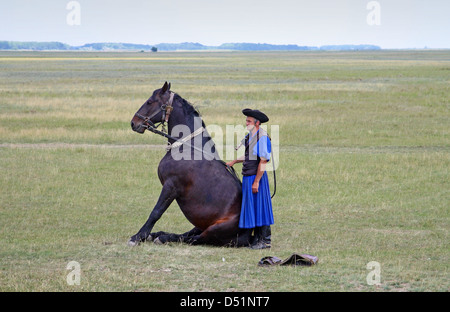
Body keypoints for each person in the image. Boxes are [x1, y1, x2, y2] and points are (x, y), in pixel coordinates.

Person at [226, 108, 274, 249]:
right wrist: (234, 161)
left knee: (261, 207)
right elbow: (249, 156)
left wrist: (257, 181)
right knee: (253, 207)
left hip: (255, 177)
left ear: (257, 123)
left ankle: (265, 241)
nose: (246, 123)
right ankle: (256, 239)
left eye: (249, 121)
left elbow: (263, 161)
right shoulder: (251, 136)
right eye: (246, 120)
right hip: (248, 177)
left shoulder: (262, 138)